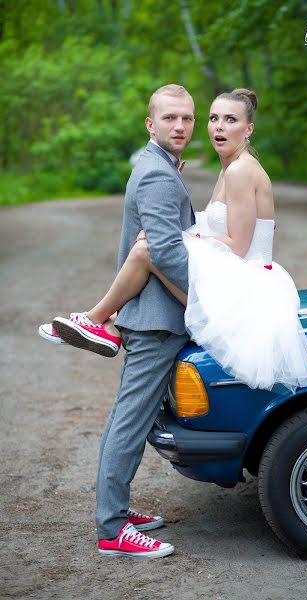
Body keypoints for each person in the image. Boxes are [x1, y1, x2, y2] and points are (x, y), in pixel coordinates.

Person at [42, 87, 307, 395]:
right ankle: (106, 322)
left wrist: (182, 236)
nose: (219, 126)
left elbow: (239, 246)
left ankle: (96, 320)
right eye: (214, 118)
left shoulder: (241, 171)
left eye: (230, 120)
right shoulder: (230, 167)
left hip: (243, 284)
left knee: (147, 250)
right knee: (150, 247)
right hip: (235, 274)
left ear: (248, 129)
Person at [51, 84, 196, 558]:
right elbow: (166, 251)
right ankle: (113, 529)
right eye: (170, 117)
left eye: (187, 118)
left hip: (154, 318)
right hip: (156, 322)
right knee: (130, 422)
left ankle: (116, 507)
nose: (180, 126)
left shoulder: (161, 168)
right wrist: (211, 300)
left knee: (134, 418)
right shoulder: (157, 174)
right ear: (150, 124)